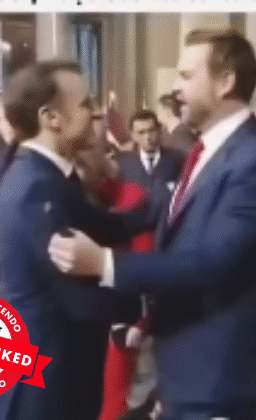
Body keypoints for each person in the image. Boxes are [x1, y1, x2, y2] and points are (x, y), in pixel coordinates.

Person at [49, 29, 256, 420]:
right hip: (189, 373)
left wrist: (105, 263)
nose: (176, 88)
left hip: (222, 378)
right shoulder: (205, 152)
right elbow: (164, 226)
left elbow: (212, 263)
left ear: (225, 82)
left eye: (186, 76)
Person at [0, 61, 154, 420]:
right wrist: (155, 305)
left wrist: (166, 207)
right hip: (47, 384)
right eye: (85, 104)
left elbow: (103, 225)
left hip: (56, 375)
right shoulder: (37, 189)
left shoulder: (48, 176)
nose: (96, 113)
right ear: (51, 118)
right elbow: (79, 300)